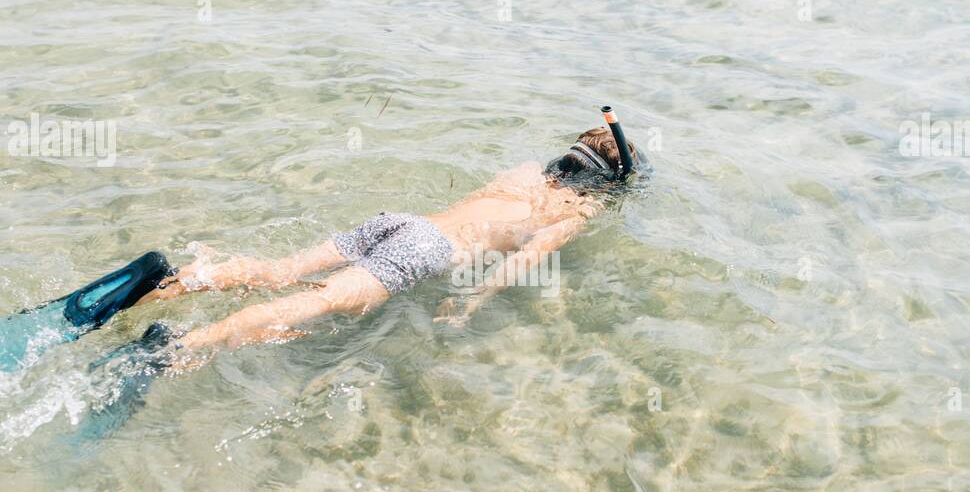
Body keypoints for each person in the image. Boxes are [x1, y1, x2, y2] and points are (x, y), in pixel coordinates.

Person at [141, 110, 645, 365]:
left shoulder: (527, 172)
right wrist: (472, 301)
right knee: (314, 302)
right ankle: (176, 349)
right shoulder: (575, 210)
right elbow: (522, 262)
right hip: (428, 249)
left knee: (281, 271)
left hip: (401, 223)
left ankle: (167, 284)